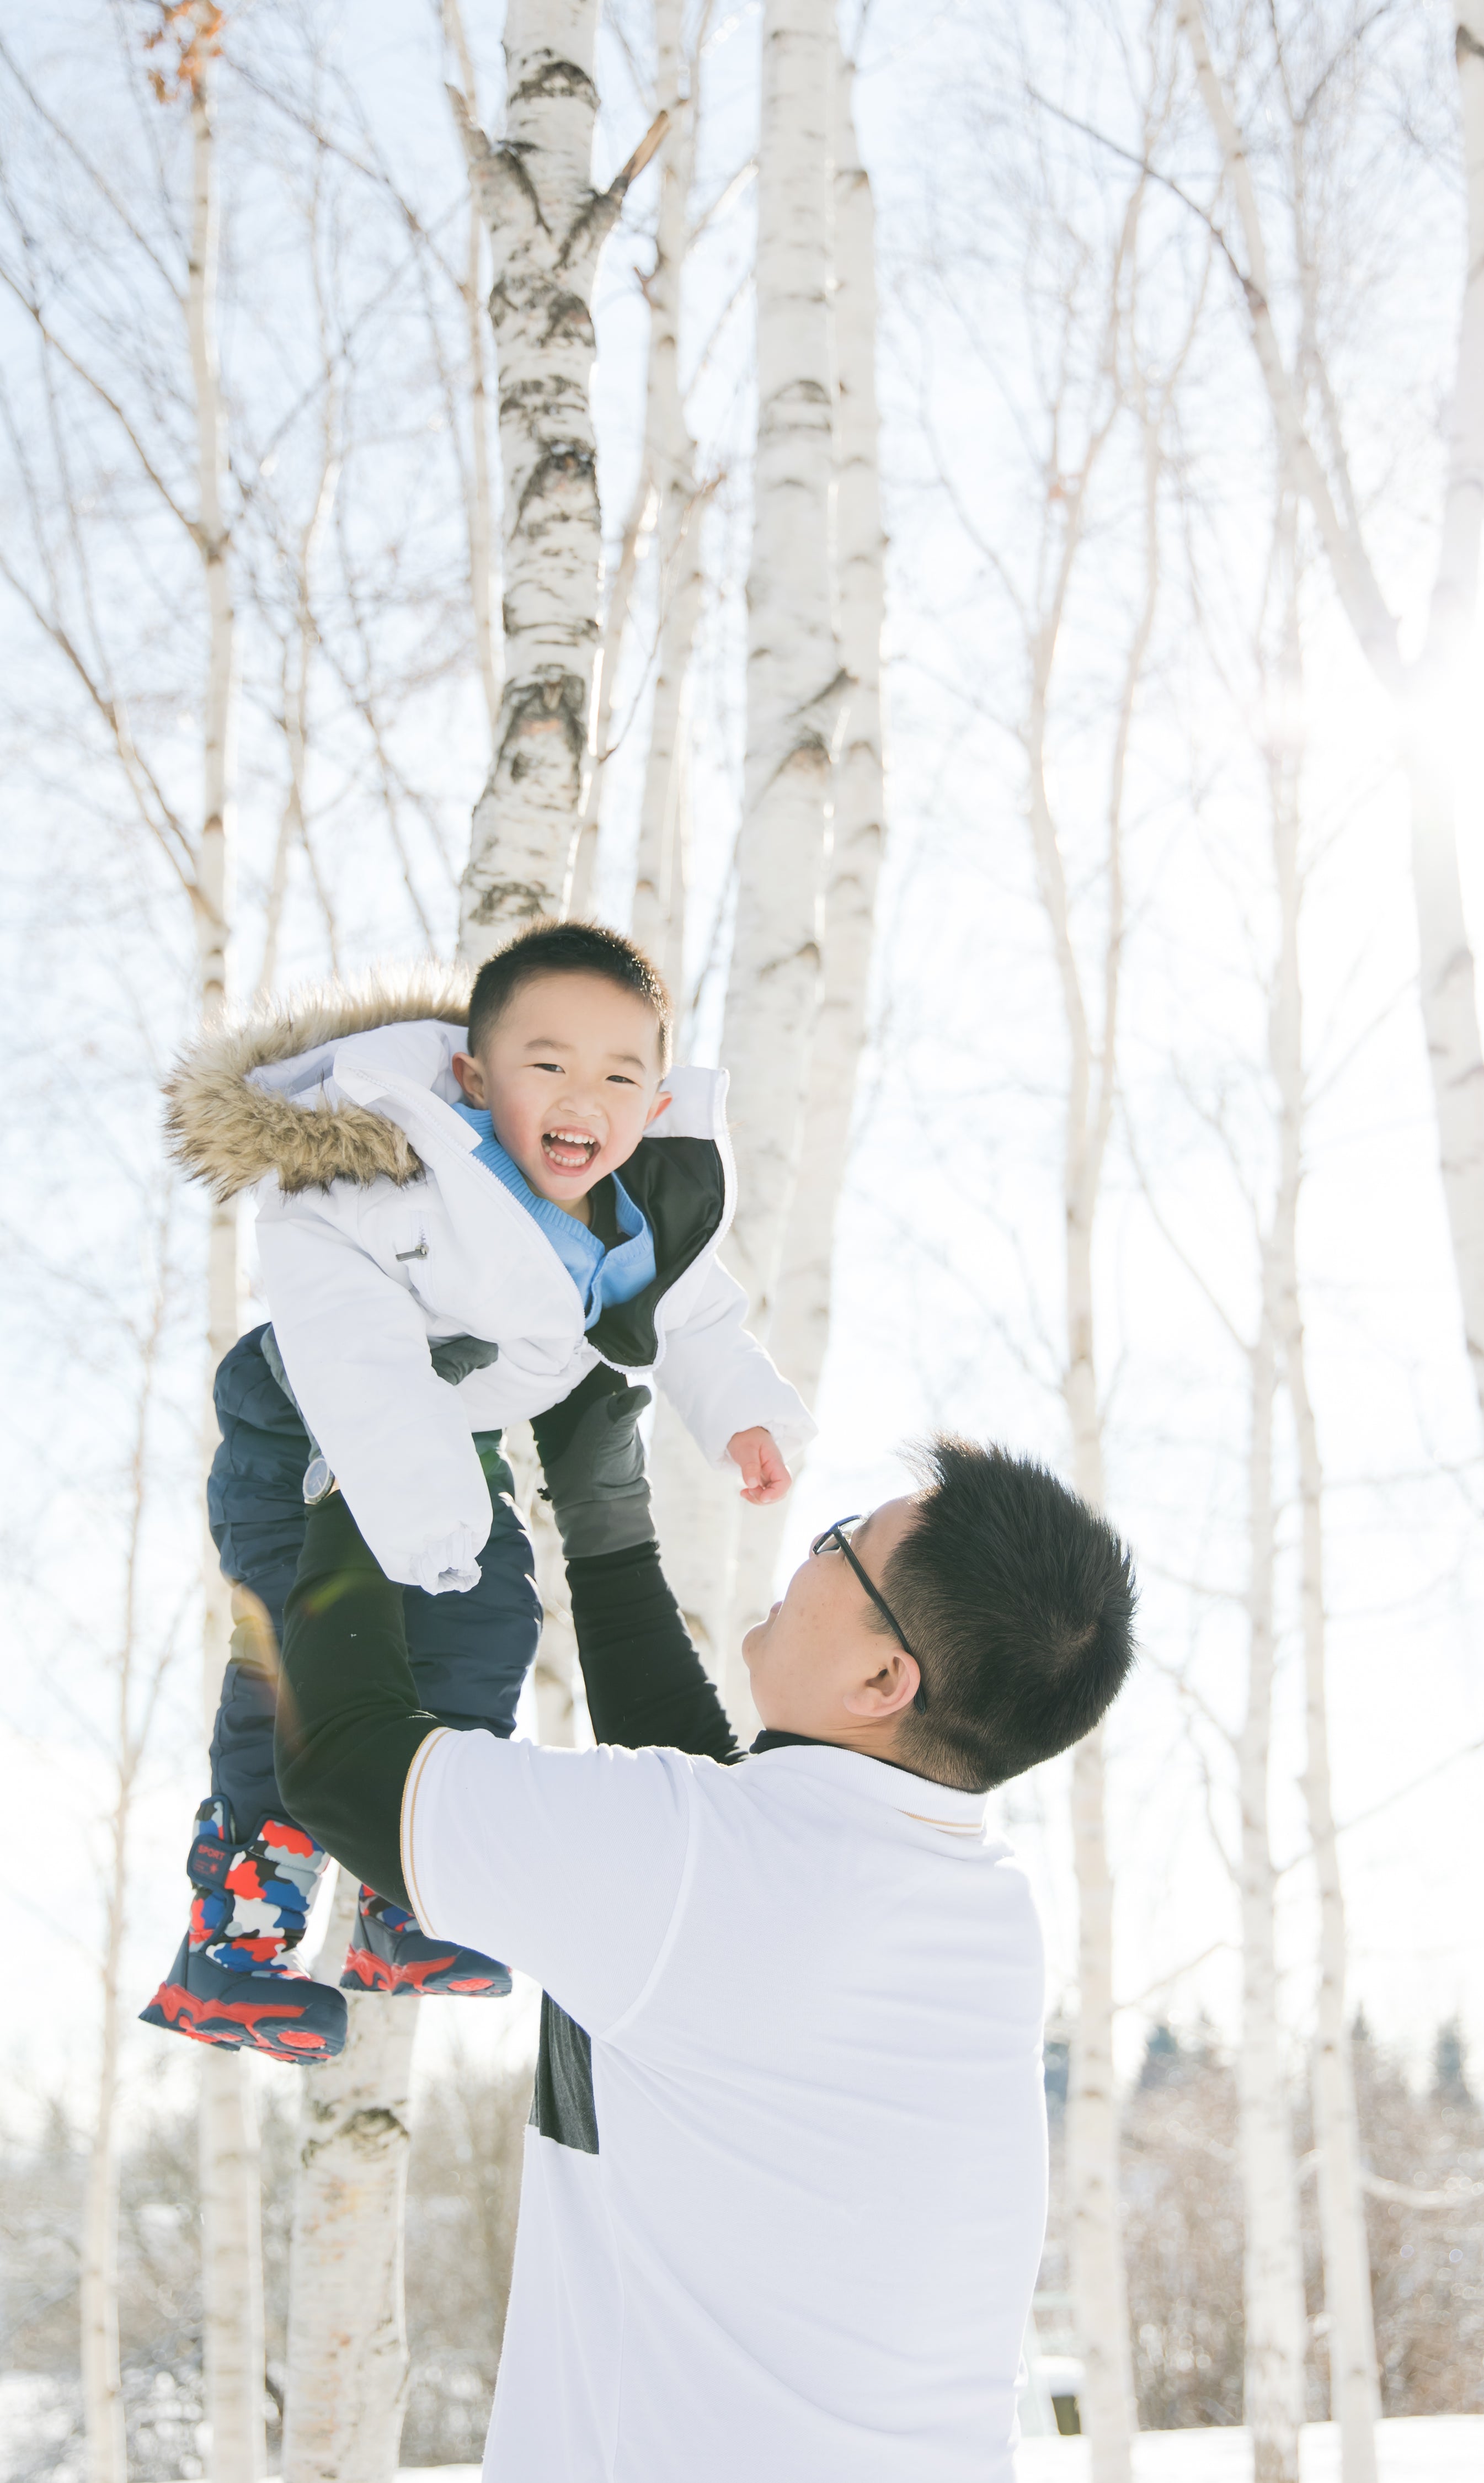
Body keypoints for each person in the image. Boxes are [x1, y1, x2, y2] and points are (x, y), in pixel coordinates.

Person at [273, 1434, 1137, 2482]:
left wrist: (365, 1448)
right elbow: (703, 1843)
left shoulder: (715, 1876)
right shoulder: (977, 1901)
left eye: (841, 1544)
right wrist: (604, 1515)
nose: (809, 1558)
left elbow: (343, 1763)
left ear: (883, 1676)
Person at [141, 921, 812, 2062]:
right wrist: (416, 1510)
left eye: (616, 1075)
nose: (579, 1099)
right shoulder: (386, 1182)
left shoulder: (641, 1216)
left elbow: (697, 1320)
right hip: (306, 1432)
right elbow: (354, 1354)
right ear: (472, 1076)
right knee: (308, 1665)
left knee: (487, 1625)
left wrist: (746, 1414)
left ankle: (410, 1902)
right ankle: (232, 1947)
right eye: (546, 1065)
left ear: (654, 1108)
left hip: (448, 1446)